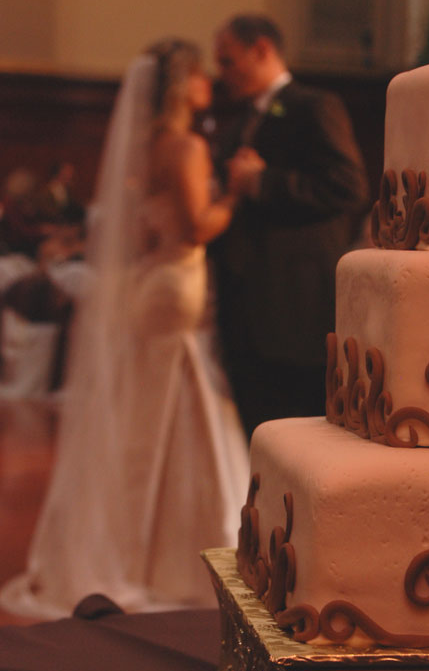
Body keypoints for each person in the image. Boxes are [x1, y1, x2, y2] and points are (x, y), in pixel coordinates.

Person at [0, 39, 252, 620]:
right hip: (175, 282)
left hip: (148, 283)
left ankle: (136, 541)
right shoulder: (185, 146)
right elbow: (195, 227)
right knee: (181, 404)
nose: (208, 83)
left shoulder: (141, 146)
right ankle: (176, 553)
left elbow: (137, 227)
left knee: (151, 406)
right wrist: (235, 194)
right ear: (179, 85)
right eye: (198, 76)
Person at [210, 13, 369, 436]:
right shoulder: (239, 123)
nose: (221, 75)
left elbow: (347, 187)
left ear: (260, 49)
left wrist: (263, 181)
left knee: (296, 434)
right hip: (243, 307)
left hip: (295, 307)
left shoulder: (312, 106)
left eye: (227, 61)